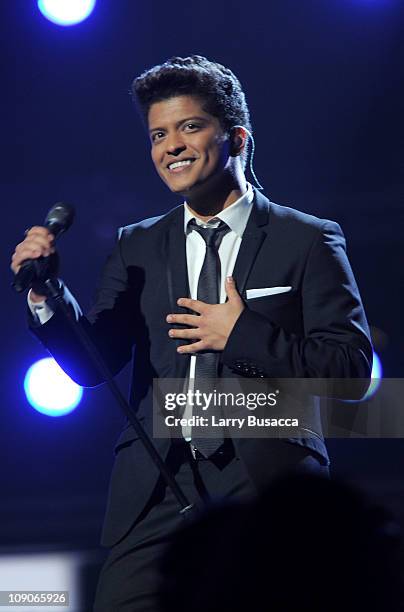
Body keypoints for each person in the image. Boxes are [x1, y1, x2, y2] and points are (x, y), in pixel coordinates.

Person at [11, 55, 373, 611]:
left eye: (189, 127)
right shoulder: (138, 245)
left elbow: (349, 371)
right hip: (156, 484)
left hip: (268, 487)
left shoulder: (307, 240)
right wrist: (47, 297)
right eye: (158, 134)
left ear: (237, 138)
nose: (171, 146)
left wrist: (242, 333)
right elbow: (94, 365)